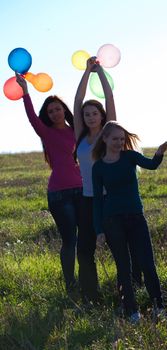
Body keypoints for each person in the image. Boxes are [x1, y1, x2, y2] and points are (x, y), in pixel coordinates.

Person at [73, 57, 142, 302]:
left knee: (121, 249)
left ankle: (130, 291)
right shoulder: (80, 135)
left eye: (94, 113)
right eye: (86, 114)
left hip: (111, 199)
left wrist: (99, 71)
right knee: (84, 250)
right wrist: (86, 72)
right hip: (88, 200)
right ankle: (92, 296)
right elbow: (77, 101)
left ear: (102, 116)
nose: (90, 117)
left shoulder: (108, 133)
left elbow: (109, 99)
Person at [92, 121, 167, 323]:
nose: (119, 142)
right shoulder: (98, 167)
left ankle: (158, 307)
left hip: (136, 218)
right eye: (115, 139)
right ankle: (132, 312)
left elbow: (151, 165)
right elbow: (98, 201)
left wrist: (159, 153)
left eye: (121, 139)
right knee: (123, 267)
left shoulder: (130, 157)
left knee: (147, 263)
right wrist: (99, 230)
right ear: (105, 139)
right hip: (112, 221)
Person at [15, 72, 83, 296]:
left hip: (82, 191)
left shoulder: (76, 131)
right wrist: (25, 91)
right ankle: (70, 285)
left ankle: (86, 283)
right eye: (50, 110)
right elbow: (32, 117)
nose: (54, 113)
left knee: (85, 238)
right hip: (59, 194)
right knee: (69, 240)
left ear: (64, 110)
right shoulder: (46, 132)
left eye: (57, 108)